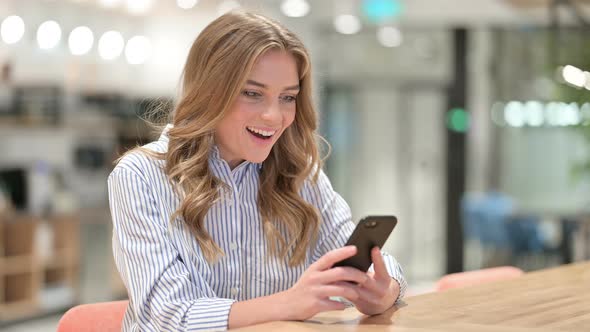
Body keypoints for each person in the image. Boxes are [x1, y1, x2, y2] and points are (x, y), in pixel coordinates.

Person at [108, 11, 406, 331]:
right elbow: (166, 316)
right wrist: (289, 303)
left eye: (287, 97)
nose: (273, 116)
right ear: (210, 91)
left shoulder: (300, 176)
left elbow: (361, 255)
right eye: (252, 93)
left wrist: (384, 289)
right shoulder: (141, 176)